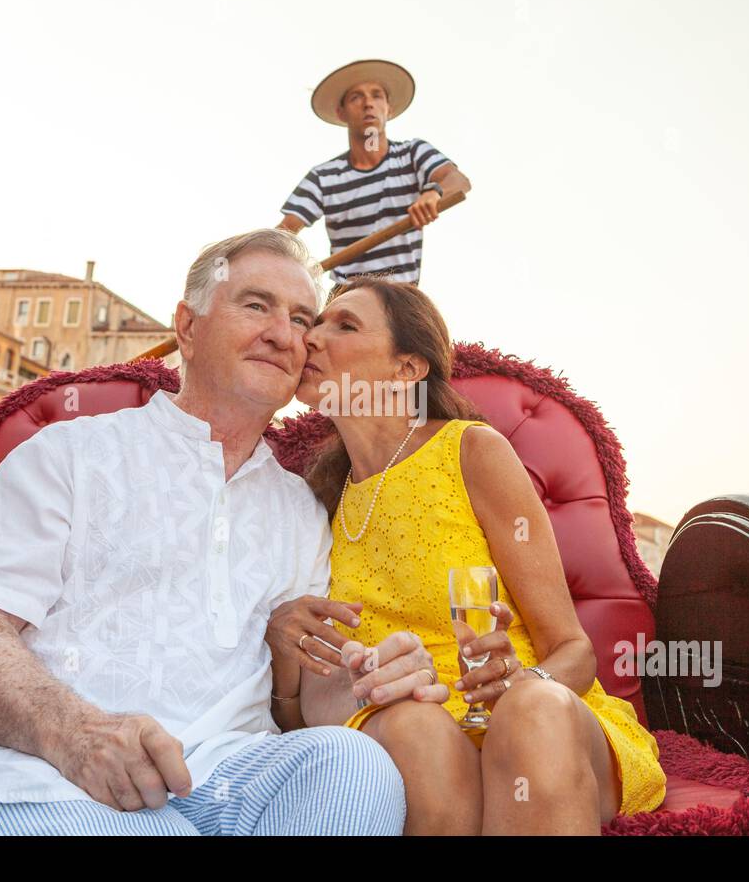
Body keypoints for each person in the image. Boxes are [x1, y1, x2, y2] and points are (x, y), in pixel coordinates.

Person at [0, 231, 438, 836]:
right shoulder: (71, 454)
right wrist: (76, 732)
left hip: (229, 775)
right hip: (36, 777)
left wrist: (361, 684)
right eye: (256, 305)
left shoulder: (302, 511)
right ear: (188, 326)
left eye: (301, 319)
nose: (285, 334)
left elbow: (311, 704)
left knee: (355, 766)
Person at [267, 277, 668, 835]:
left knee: (529, 711)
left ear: (408, 369)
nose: (312, 337)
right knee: (414, 728)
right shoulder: (312, 500)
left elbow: (573, 651)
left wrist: (518, 683)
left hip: (534, 725)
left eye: (346, 325)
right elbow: (298, 708)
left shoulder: (472, 451)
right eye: (318, 322)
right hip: (414, 741)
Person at [277, 59, 472, 285]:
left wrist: (434, 192)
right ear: (342, 113)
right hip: (347, 297)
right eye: (356, 97)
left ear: (388, 109)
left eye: (377, 95)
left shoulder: (412, 154)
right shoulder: (323, 177)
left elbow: (458, 181)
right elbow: (283, 234)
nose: (368, 103)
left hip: (402, 297)